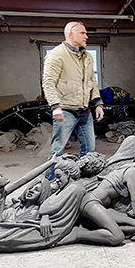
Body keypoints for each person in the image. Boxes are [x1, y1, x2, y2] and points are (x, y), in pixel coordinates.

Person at [42, 21, 105, 180]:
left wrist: (98, 103)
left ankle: (83, 179)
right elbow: (48, 82)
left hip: (85, 111)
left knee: (89, 150)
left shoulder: (88, 57)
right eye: (82, 33)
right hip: (66, 111)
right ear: (70, 34)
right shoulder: (57, 54)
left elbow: (92, 81)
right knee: (58, 149)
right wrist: (55, 106)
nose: (86, 36)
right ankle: (49, 183)